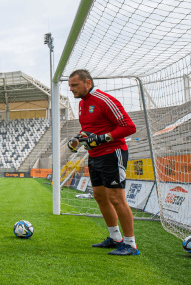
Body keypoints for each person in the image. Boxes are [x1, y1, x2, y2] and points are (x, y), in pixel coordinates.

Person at [67, 69, 138, 256]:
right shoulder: (82, 104)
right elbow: (88, 130)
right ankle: (115, 238)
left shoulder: (104, 100)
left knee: (116, 198)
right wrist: (77, 139)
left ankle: (130, 244)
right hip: (95, 155)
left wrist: (103, 138)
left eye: (75, 85)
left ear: (87, 83)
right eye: (70, 86)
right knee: (99, 196)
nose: (71, 89)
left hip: (112, 153)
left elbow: (129, 127)